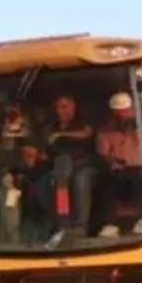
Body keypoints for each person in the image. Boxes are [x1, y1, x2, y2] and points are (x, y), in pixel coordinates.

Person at [43, 94, 98, 246]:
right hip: (59, 166)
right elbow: (46, 147)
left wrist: (62, 134)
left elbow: (87, 134)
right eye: (58, 107)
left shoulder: (82, 122)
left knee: (81, 180)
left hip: (84, 165)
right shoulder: (51, 126)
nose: (62, 110)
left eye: (65, 106)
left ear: (74, 106)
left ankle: (80, 226)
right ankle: (60, 223)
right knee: (48, 181)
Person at [96, 91, 142, 237]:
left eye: (125, 112)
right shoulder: (105, 130)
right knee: (109, 183)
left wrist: (136, 127)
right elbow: (103, 153)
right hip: (119, 168)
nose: (122, 116)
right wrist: (112, 162)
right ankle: (111, 223)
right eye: (118, 112)